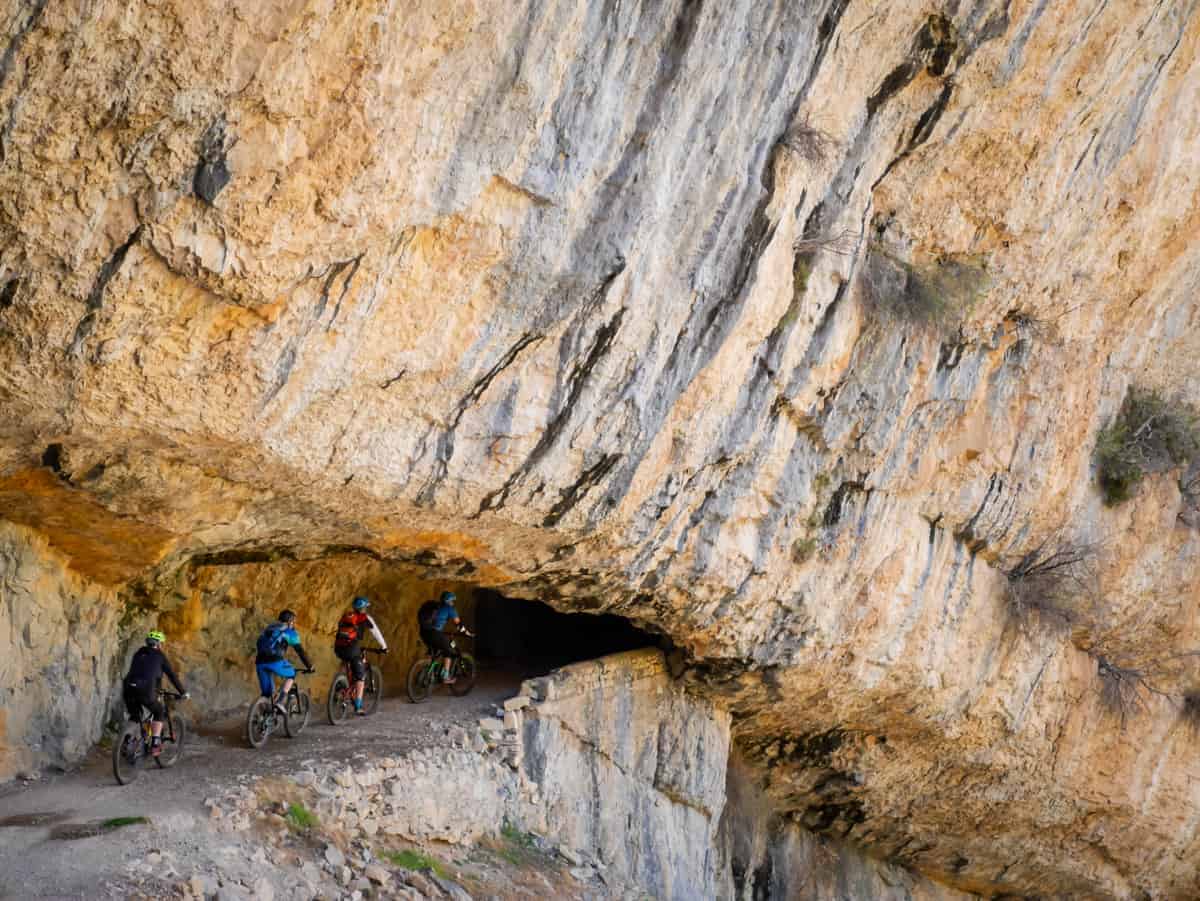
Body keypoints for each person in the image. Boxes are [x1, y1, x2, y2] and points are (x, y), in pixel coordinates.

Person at [122, 630, 188, 757]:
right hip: (145, 690)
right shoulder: (160, 656)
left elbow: (144, 672)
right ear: (158, 644)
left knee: (136, 715)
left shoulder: (138, 653)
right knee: (159, 712)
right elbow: (172, 676)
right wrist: (183, 692)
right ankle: (156, 743)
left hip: (129, 688)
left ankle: (127, 740)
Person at [334, 596, 388, 715]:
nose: (366, 610)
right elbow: (376, 633)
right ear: (363, 608)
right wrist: (384, 647)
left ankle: (342, 684)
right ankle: (358, 706)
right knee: (360, 676)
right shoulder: (365, 618)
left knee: (349, 662)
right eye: (365, 607)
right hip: (352, 649)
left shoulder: (346, 616)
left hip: (338, 648)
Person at [255, 609, 314, 715]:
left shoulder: (269, 628)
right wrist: (309, 666)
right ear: (289, 621)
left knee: (267, 694)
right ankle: (281, 702)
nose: (293, 624)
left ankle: (259, 719)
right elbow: (300, 651)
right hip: (275, 661)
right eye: (293, 622)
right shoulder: (290, 632)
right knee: (292, 674)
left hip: (260, 662)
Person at [417, 591, 473, 684]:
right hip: (435, 633)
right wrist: (467, 633)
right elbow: (459, 624)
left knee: (434, 649)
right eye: (452, 601)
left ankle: (428, 670)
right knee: (449, 652)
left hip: (424, 632)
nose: (453, 603)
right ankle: (445, 676)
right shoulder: (450, 609)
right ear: (449, 601)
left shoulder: (435, 606)